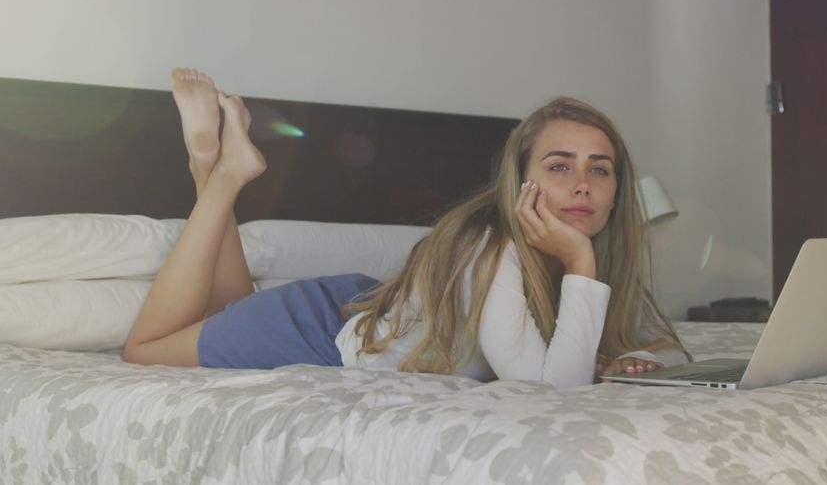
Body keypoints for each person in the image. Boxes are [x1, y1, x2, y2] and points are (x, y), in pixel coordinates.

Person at [123, 69, 689, 388]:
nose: (583, 185)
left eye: (601, 169)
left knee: (228, 310)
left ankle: (207, 163)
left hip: (355, 311)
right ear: (520, 181)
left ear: (619, 187)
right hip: (317, 333)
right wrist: (581, 264)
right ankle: (223, 178)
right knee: (144, 352)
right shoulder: (490, 246)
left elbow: (528, 349)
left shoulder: (543, 249)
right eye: (560, 166)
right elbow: (550, 393)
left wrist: (596, 358)